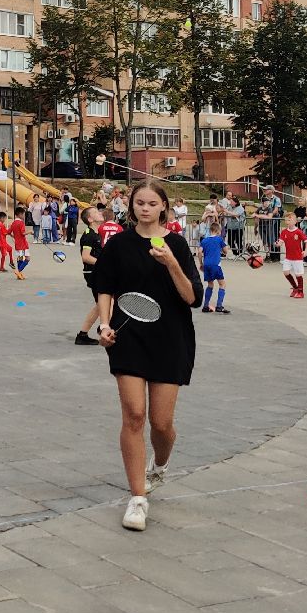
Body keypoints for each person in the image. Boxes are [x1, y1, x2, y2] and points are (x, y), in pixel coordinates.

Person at [92, 179, 201, 532]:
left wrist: (170, 262)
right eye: (140, 202)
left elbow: (192, 297)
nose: (145, 208)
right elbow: (104, 287)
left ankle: (160, 465)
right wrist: (104, 325)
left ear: (163, 208)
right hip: (129, 337)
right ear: (132, 206)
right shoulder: (118, 244)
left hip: (171, 338)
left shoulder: (178, 245)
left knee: (161, 424)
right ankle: (138, 498)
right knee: (135, 416)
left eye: (152, 203)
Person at [75, 206, 107, 346]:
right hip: (93, 273)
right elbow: (86, 257)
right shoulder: (89, 235)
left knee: (101, 305)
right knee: (104, 303)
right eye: (96, 212)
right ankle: (103, 330)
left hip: (97, 272)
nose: (100, 213)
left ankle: (83, 334)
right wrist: (104, 264)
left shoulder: (96, 233)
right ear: (90, 219)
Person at [199, 222, 229, 314]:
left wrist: (201, 264)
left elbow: (199, 252)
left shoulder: (204, 240)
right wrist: (223, 251)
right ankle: (219, 305)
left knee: (210, 284)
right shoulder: (219, 239)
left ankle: (205, 306)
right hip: (215, 265)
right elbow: (226, 251)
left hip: (207, 264)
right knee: (222, 284)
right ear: (217, 231)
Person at [279, 212, 307, 298]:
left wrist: (305, 251)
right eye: (286, 220)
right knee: (286, 272)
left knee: (298, 274)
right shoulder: (284, 232)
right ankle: (295, 288)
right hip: (288, 257)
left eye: (289, 220)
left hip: (297, 257)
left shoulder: (298, 232)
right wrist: (276, 243)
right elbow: (280, 242)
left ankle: (300, 291)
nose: (287, 221)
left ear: (295, 221)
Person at [10, 208, 30, 280]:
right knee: (27, 258)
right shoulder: (21, 223)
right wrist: (30, 232)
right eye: (23, 214)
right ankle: (18, 271)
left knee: (20, 258)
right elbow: (23, 233)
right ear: (20, 214)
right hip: (23, 244)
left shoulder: (13, 223)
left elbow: (9, 232)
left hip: (17, 244)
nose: (24, 216)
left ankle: (19, 275)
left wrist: (14, 236)